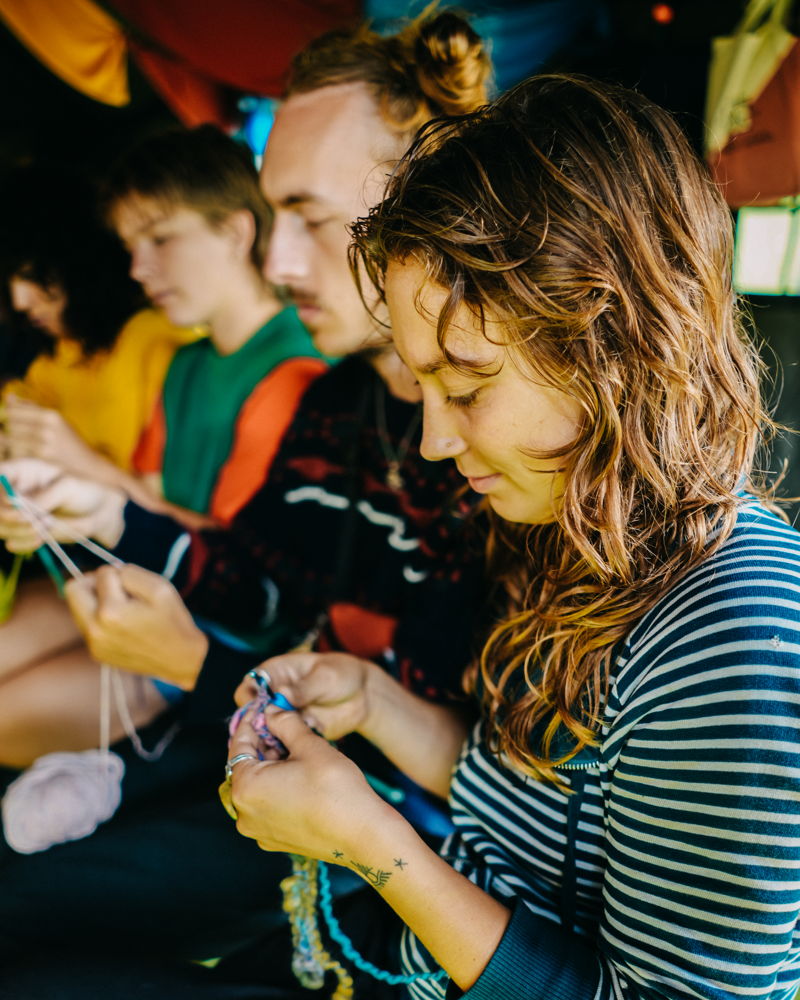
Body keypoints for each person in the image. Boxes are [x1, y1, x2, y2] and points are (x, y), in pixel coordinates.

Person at [213, 74, 800, 1000]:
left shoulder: (734, 634)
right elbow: (533, 815)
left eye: (471, 386)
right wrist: (370, 701)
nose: (436, 442)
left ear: (614, 347)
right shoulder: (566, 522)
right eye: (424, 385)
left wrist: (374, 845)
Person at [0, 9, 492, 973]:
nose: (277, 262)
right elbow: (264, 577)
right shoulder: (341, 403)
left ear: (432, 203)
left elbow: (438, 757)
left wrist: (197, 667)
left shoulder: (496, 453)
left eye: (307, 216)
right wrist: (108, 517)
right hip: (265, 736)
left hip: (388, 830)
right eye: (277, 222)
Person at [0, 125, 325, 768]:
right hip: (136, 585)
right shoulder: (188, 364)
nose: (137, 268)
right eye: (129, 246)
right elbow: (146, 499)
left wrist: (82, 472)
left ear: (235, 232)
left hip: (211, 632)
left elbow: (231, 564)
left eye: (160, 238)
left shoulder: (296, 373)